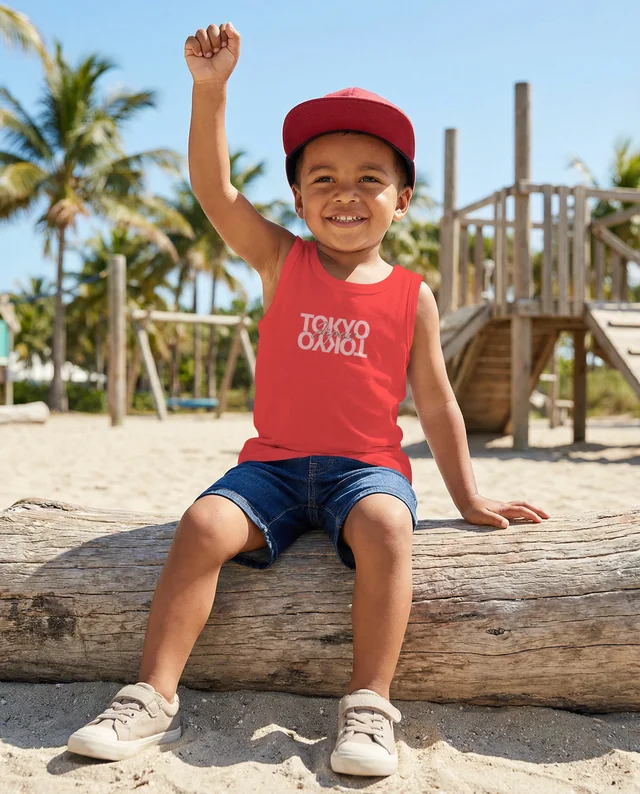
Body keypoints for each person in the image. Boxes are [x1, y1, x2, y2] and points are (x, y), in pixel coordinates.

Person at [67, 21, 549, 777]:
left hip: (365, 471)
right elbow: (212, 189)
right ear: (296, 197)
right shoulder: (281, 259)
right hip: (274, 469)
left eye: (369, 178)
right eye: (322, 178)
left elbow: (438, 406)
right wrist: (210, 91)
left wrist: (472, 498)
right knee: (200, 522)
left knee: (390, 525)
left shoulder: (412, 296)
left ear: (403, 199)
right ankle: (151, 699)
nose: (345, 193)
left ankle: (367, 707)